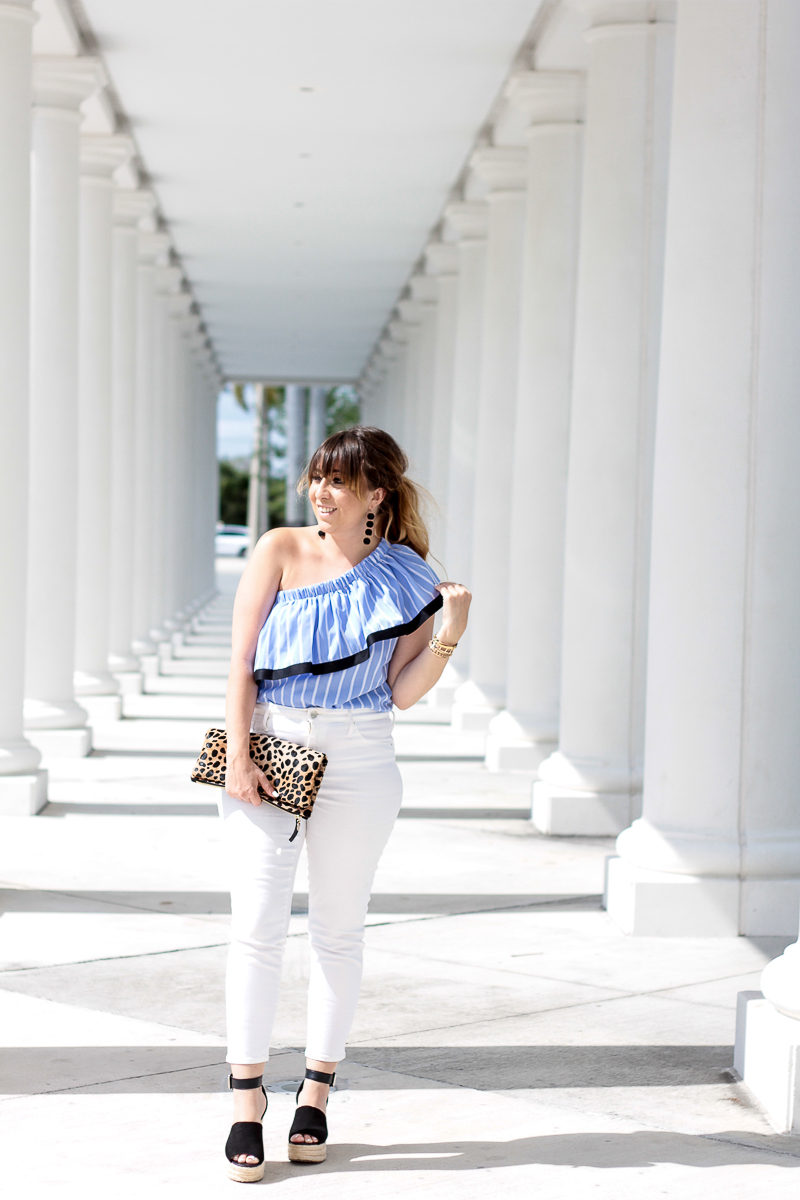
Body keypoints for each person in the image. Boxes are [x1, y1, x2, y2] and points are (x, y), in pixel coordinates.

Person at [219, 425, 471, 1182]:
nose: (321, 493)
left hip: (361, 756)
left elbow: (401, 692)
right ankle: (246, 1102)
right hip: (272, 745)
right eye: (317, 478)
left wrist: (449, 635)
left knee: (338, 931)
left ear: (377, 492)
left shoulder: (408, 575)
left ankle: (317, 1094)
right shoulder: (280, 551)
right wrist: (237, 751)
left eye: (338, 481)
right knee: (256, 928)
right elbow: (240, 658)